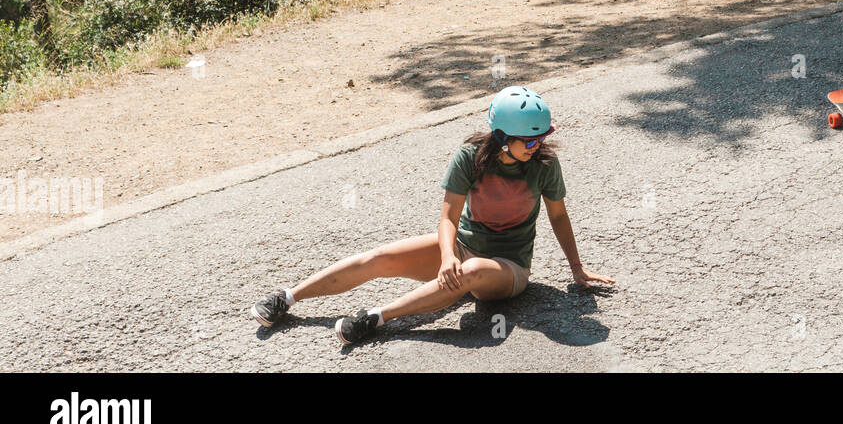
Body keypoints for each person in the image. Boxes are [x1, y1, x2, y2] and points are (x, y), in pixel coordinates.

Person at [249, 85, 614, 344]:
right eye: (530, 141)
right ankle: (287, 298)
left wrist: (576, 268)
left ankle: (376, 318)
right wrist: (446, 257)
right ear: (503, 138)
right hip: (464, 248)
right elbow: (448, 218)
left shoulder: (545, 164)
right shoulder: (470, 157)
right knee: (380, 257)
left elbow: (558, 217)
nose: (538, 147)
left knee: (469, 272)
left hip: (508, 267)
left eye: (541, 138)